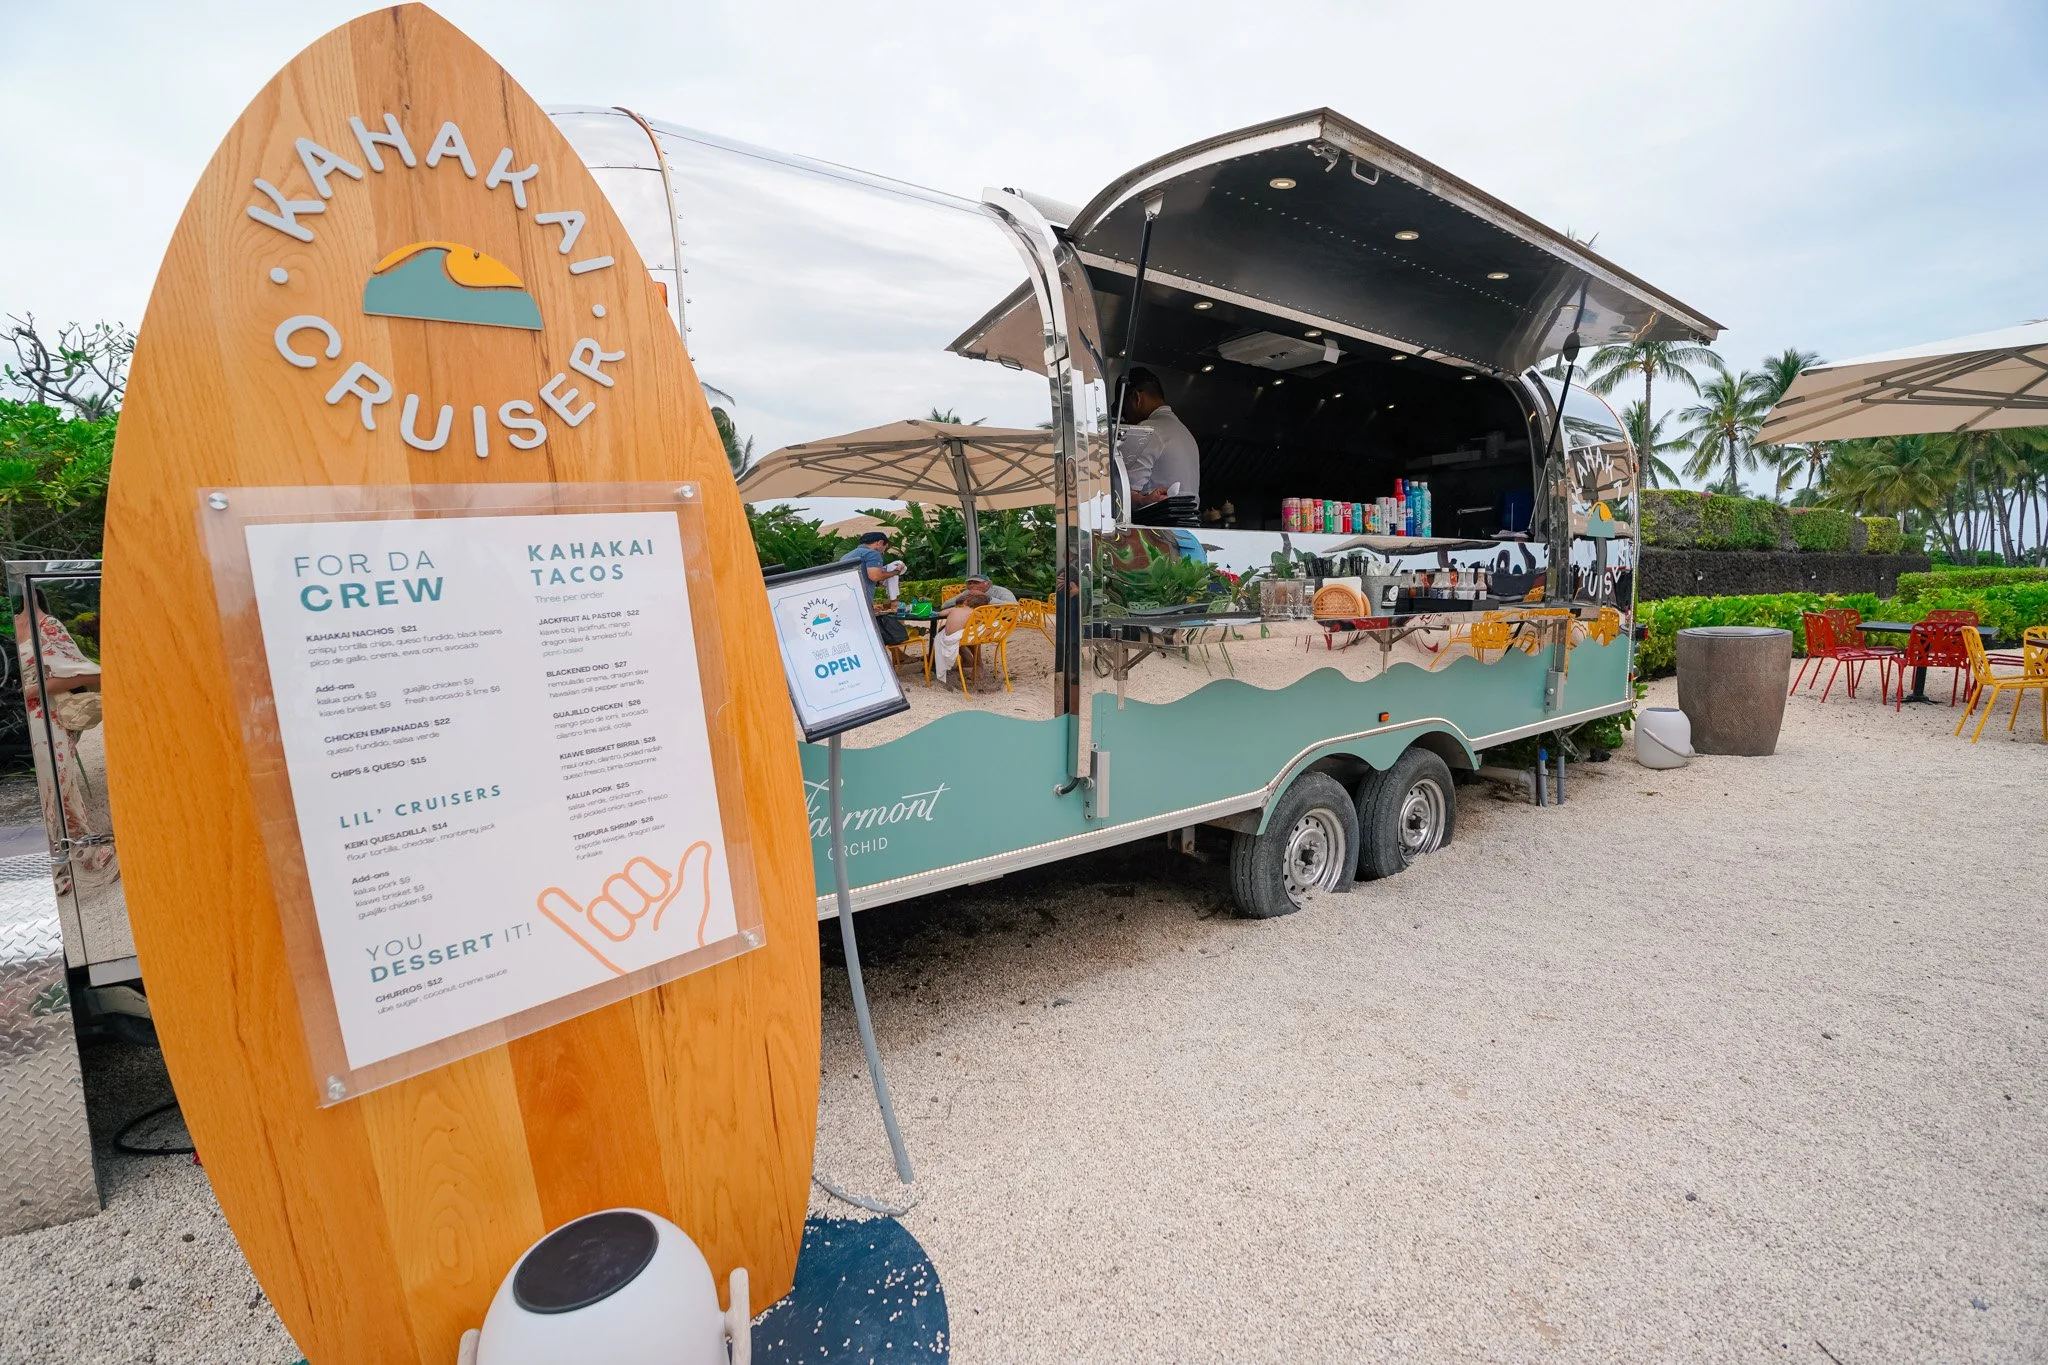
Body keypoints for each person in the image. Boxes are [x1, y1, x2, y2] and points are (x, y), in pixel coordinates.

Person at [1117, 367, 1199, 525]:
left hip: (1158, 532)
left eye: (1124, 409)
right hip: (1190, 530)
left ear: (1136, 398)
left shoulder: (1147, 431)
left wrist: (1140, 500)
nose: (1125, 417)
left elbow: (1123, 495)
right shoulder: (1186, 433)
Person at [839, 530, 909, 647]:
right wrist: (895, 572)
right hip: (862, 602)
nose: (884, 552)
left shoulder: (846, 557)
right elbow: (875, 576)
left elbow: (862, 576)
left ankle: (899, 655)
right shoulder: (872, 554)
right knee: (875, 636)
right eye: (885, 547)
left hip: (845, 602)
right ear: (880, 542)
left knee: (856, 637)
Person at [931, 590, 991, 685]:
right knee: (975, 630)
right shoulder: (974, 613)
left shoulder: (954, 609)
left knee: (941, 632)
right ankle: (971, 661)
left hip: (949, 638)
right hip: (962, 637)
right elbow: (985, 619)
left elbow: (941, 613)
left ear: (965, 602)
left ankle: (969, 661)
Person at [939, 573, 1016, 608]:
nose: (972, 586)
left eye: (976, 583)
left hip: (1003, 621)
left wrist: (986, 597)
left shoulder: (1001, 591)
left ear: (988, 583)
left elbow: (1014, 606)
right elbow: (945, 605)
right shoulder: (967, 592)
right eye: (969, 583)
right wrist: (960, 599)